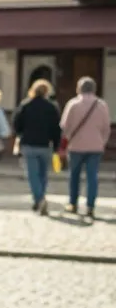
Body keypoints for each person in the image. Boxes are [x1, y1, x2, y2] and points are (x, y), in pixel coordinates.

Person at [59, 77, 111, 218]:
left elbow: (64, 126)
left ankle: (73, 203)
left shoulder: (73, 104)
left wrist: (67, 141)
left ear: (78, 88)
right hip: (96, 146)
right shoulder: (102, 105)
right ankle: (90, 206)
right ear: (94, 89)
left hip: (76, 146)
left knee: (74, 176)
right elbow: (106, 128)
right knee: (92, 176)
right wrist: (102, 142)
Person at [11, 79, 61, 215]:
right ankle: (39, 198)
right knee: (43, 174)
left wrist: (21, 133)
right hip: (45, 145)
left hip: (29, 144)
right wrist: (56, 146)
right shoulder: (52, 107)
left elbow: (16, 124)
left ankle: (39, 198)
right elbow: (57, 129)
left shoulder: (25, 105)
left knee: (33, 175)